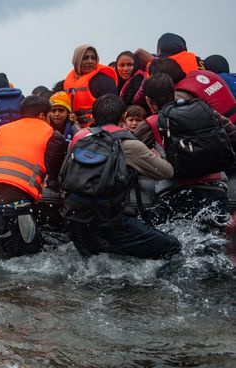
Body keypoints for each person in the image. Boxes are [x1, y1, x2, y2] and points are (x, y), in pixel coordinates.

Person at [62, 94, 181, 259]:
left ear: (93, 116)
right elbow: (167, 172)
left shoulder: (79, 138)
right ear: (123, 116)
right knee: (173, 247)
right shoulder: (129, 144)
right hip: (109, 222)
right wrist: (157, 155)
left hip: (74, 219)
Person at [135, 73, 236, 228]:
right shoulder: (206, 111)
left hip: (177, 195)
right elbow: (232, 134)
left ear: (148, 101)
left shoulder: (151, 124)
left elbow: (128, 155)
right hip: (216, 189)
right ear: (173, 91)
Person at [0, 95, 66, 258]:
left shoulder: (2, 129)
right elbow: (55, 176)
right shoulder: (52, 135)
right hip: (17, 206)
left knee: (4, 257)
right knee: (31, 259)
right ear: (42, 116)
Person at [63, 45, 118, 128]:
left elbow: (112, 110)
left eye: (93, 58)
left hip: (96, 130)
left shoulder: (105, 81)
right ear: (77, 60)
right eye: (85, 58)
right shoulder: (66, 82)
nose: (90, 61)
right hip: (72, 128)